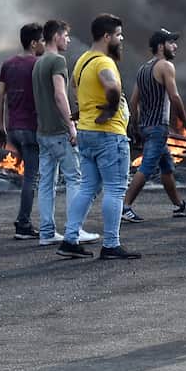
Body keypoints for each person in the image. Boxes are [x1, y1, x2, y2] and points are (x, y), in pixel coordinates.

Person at [59, 13, 139, 260]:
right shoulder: (103, 62)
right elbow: (112, 88)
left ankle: (70, 239)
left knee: (88, 187)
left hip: (86, 133)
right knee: (115, 190)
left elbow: (75, 88)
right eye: (118, 34)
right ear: (107, 36)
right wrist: (110, 109)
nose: (121, 39)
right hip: (107, 134)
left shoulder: (83, 60)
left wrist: (83, 110)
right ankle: (111, 245)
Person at [31, 20, 97, 246]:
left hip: (43, 132)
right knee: (74, 178)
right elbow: (60, 95)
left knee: (46, 183)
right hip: (59, 132)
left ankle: (47, 233)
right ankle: (74, 230)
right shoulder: (57, 60)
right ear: (56, 36)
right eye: (66, 35)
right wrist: (71, 126)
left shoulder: (38, 62)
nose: (68, 40)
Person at [123, 29, 186, 222]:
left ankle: (179, 206)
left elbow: (133, 101)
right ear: (161, 46)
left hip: (147, 127)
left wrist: (135, 125)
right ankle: (125, 207)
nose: (175, 46)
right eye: (171, 42)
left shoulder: (143, 69)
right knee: (146, 167)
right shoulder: (165, 66)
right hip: (157, 128)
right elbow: (175, 96)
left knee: (167, 167)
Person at [0, 23, 46, 240]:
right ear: (34, 43)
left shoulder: (8, 64)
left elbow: (0, 96)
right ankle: (23, 223)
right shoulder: (38, 65)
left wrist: (1, 126)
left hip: (14, 129)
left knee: (31, 175)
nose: (44, 44)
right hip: (32, 128)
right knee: (32, 178)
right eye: (42, 40)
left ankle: (27, 221)